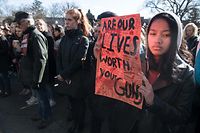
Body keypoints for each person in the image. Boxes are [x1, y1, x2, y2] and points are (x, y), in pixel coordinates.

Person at [102, 12, 195, 133]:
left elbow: (182, 117)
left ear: (175, 38)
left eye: (166, 35)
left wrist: (154, 102)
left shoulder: (187, 74)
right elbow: (109, 101)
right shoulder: (132, 61)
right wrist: (103, 66)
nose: (158, 40)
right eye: (153, 33)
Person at [56, 8, 91, 133]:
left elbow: (78, 61)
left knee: (78, 106)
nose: (66, 22)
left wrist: (64, 74)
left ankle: (79, 126)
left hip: (78, 80)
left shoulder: (83, 39)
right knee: (71, 104)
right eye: (65, 19)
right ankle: (75, 123)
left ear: (78, 21)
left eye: (69, 20)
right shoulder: (64, 38)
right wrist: (61, 74)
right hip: (65, 78)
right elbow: (58, 57)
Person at [13, 11, 51, 129]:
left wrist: (37, 80)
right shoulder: (28, 35)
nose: (18, 26)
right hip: (33, 75)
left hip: (38, 77)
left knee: (43, 98)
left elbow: (41, 59)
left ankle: (46, 118)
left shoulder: (36, 35)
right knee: (39, 98)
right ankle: (41, 114)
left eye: (19, 23)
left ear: (27, 22)